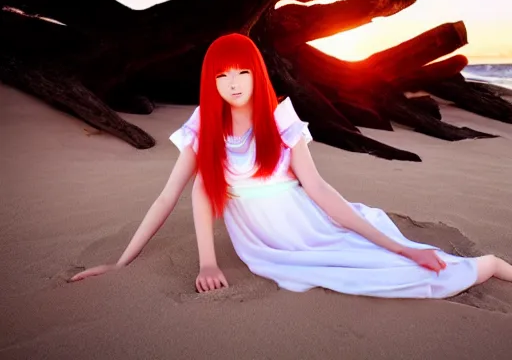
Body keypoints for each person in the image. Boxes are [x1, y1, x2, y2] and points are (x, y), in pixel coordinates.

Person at [70, 33, 512, 299]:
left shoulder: (281, 118)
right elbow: (179, 194)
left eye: (242, 73)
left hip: (304, 223)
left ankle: (490, 266)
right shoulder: (204, 123)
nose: (233, 84)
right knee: (356, 276)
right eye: (222, 75)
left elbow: (318, 189)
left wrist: (401, 247)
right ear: (211, 80)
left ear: (257, 73)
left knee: (396, 269)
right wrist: (129, 264)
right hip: (264, 243)